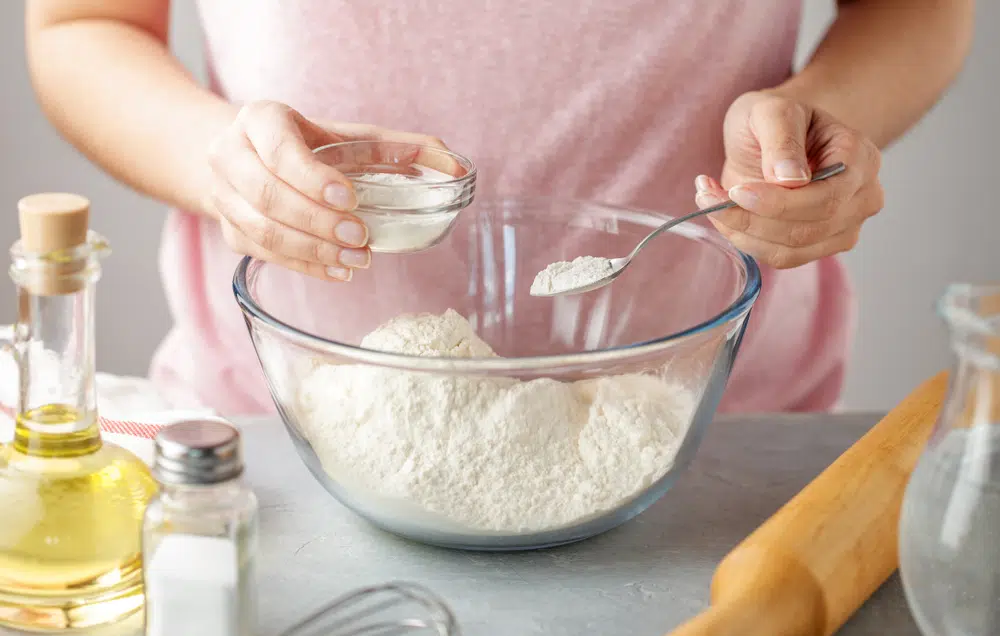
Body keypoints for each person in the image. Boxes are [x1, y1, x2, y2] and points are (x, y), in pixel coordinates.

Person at [25, 1, 974, 415]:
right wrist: (215, 161)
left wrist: (822, 126)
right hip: (286, 431)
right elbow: (81, 23)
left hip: (711, 429)